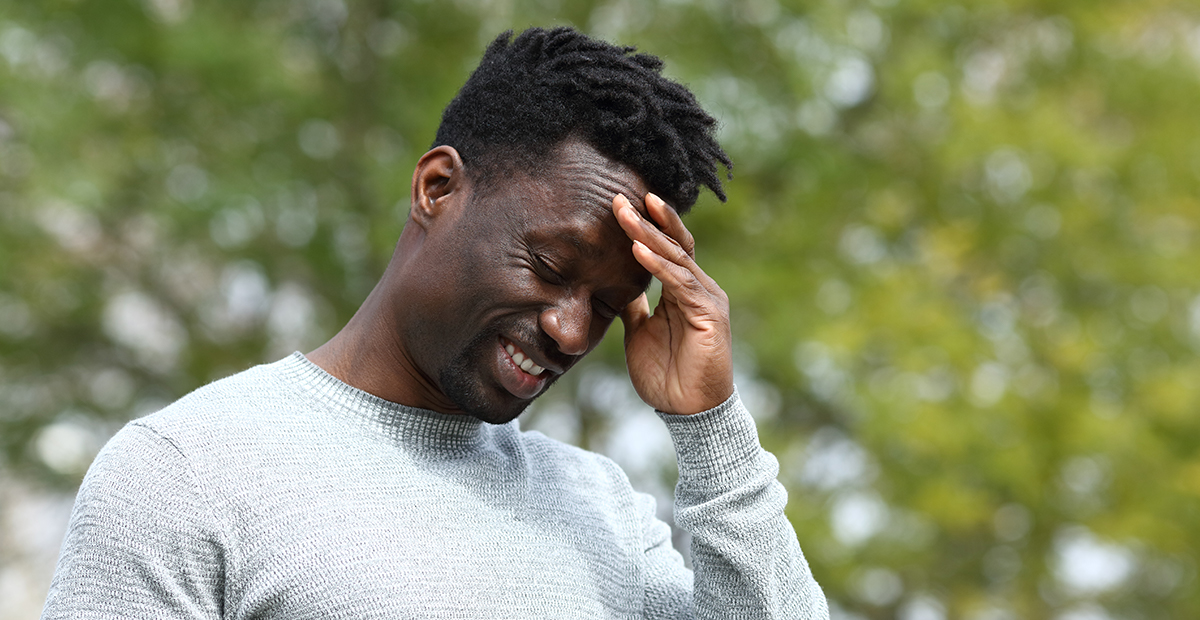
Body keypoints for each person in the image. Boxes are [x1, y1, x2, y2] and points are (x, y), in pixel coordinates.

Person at [42, 27, 828, 619]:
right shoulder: (189, 472)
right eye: (552, 270)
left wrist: (713, 431)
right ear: (438, 187)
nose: (569, 331)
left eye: (605, 305)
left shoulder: (602, 508)